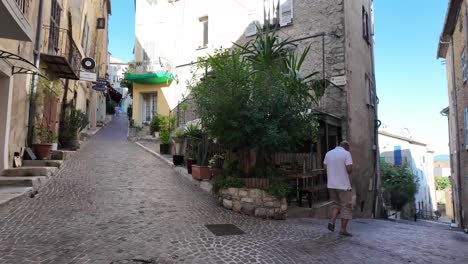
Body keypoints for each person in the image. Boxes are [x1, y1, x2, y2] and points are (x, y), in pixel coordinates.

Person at [323, 141, 353, 237]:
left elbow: (325, 167)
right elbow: (349, 169)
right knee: (346, 206)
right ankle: (343, 230)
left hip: (331, 185)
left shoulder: (328, 153)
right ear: (346, 147)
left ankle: (332, 220)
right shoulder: (346, 153)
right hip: (343, 185)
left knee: (336, 204)